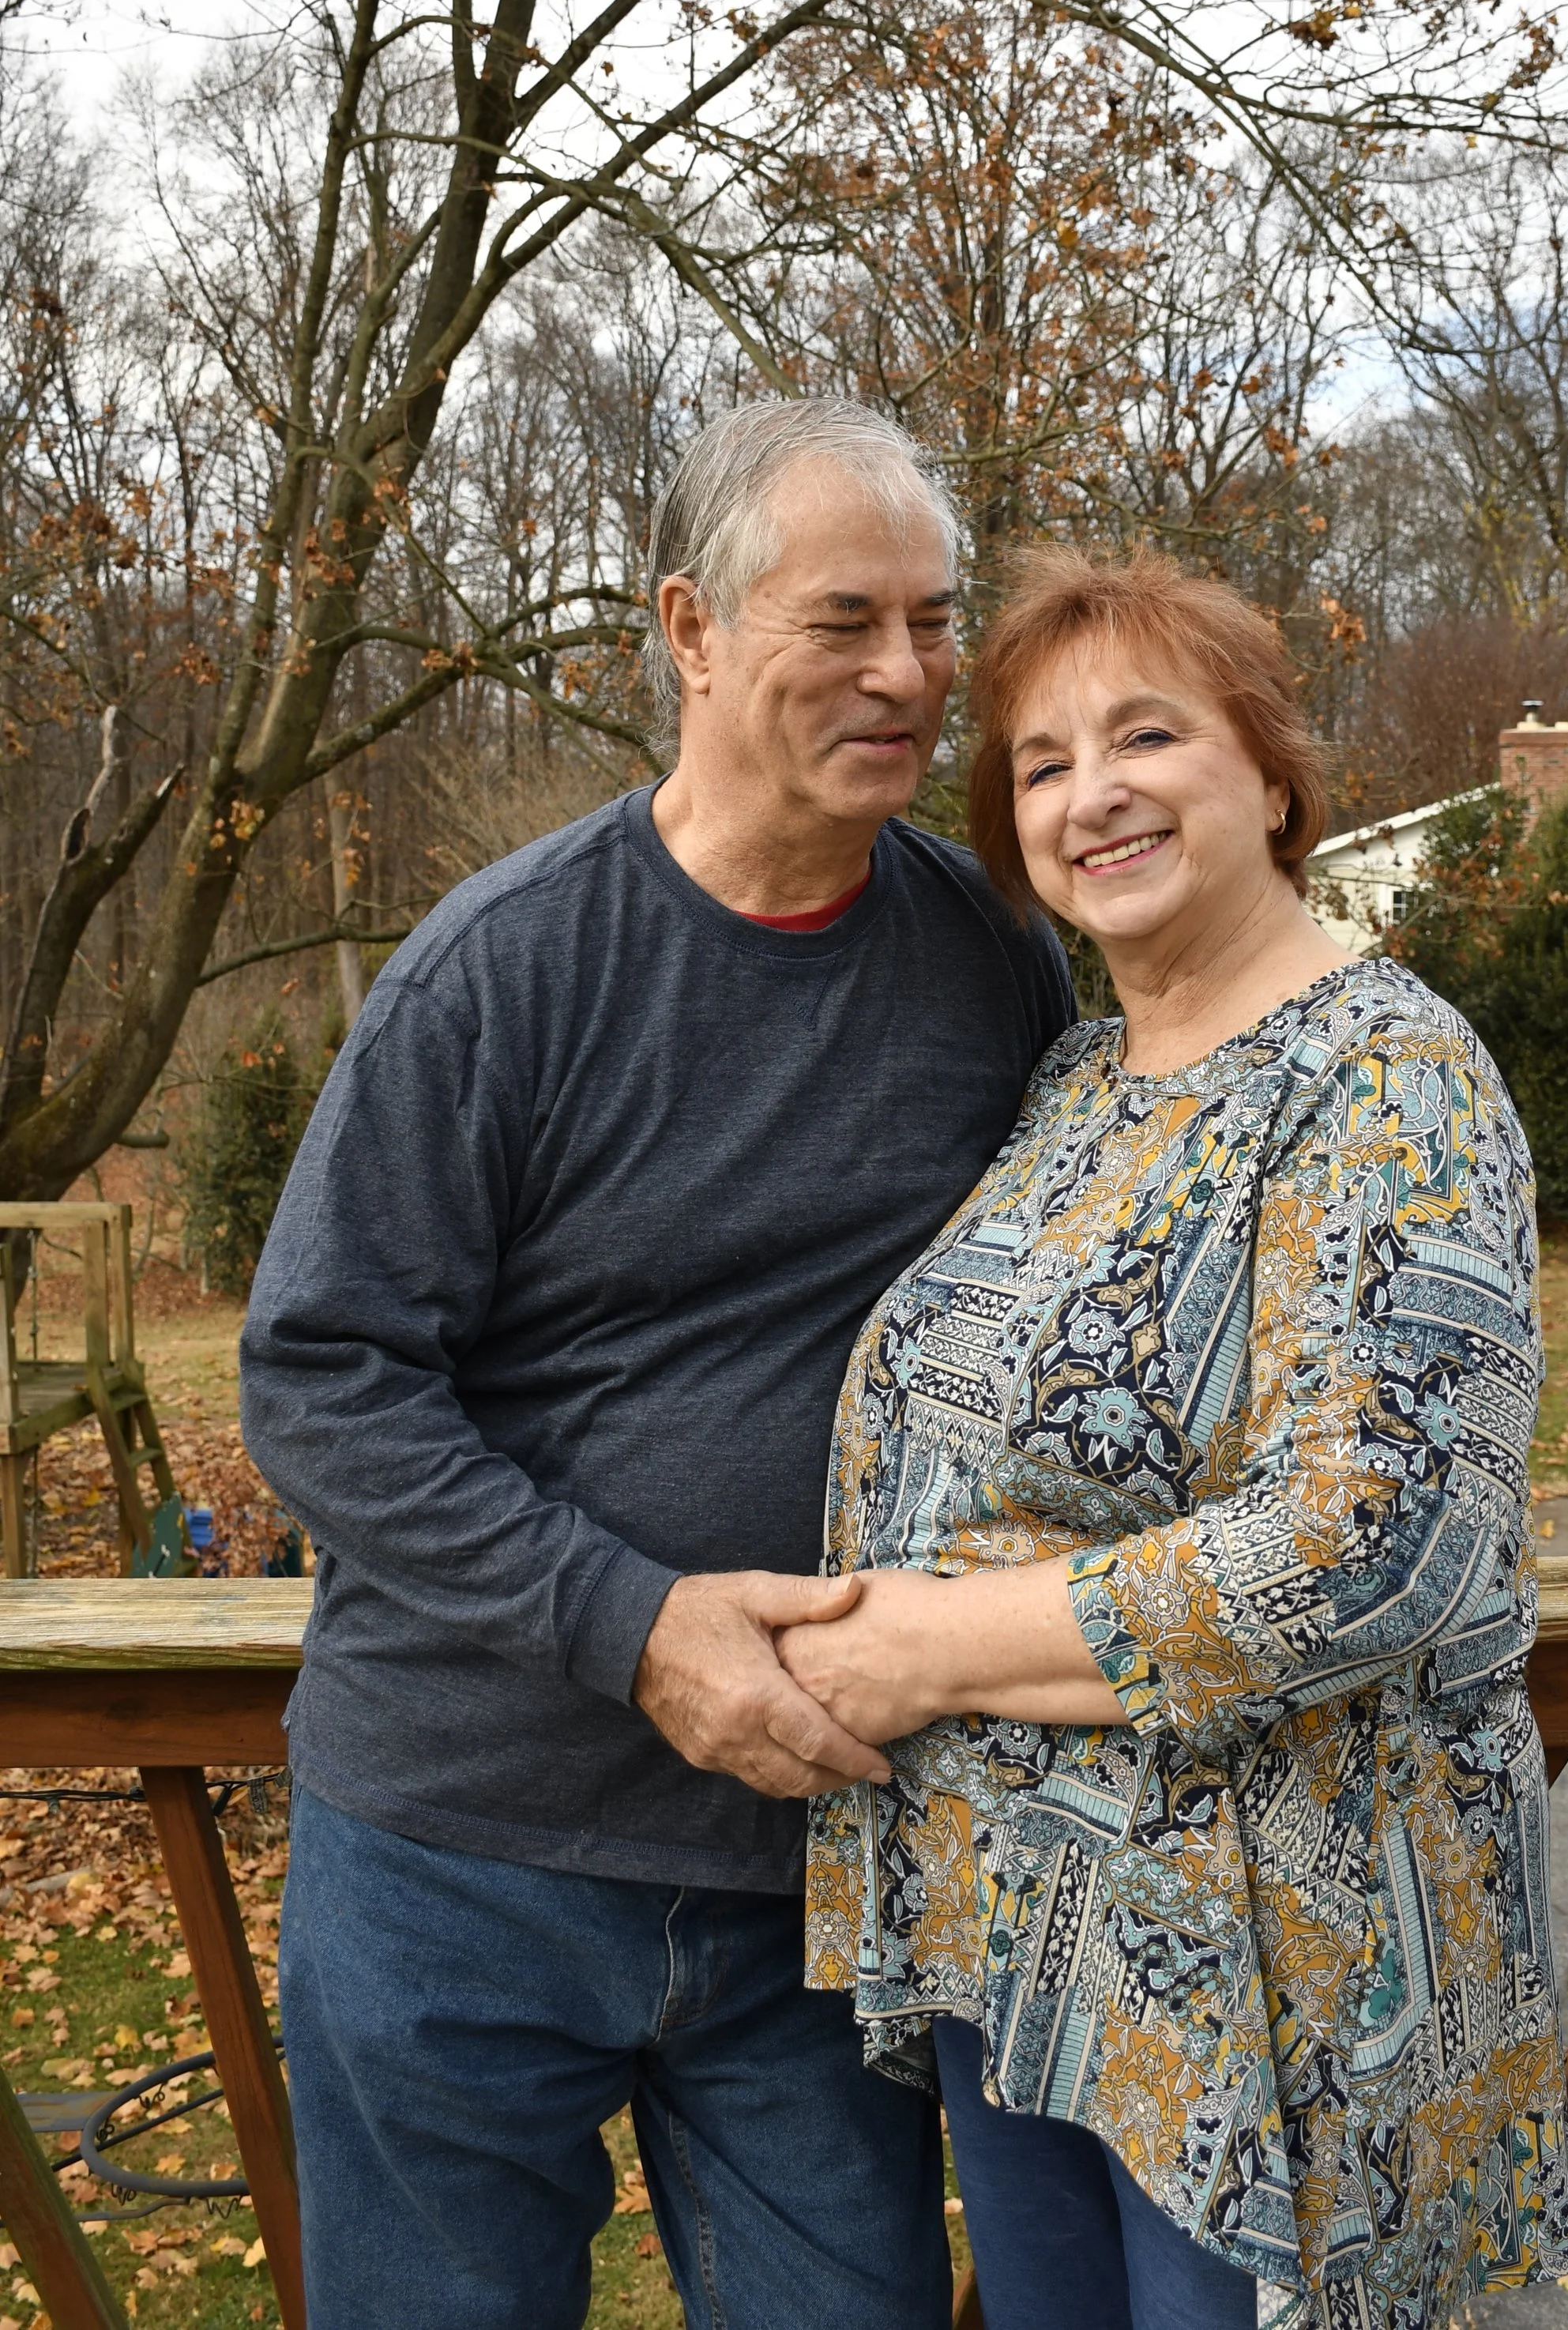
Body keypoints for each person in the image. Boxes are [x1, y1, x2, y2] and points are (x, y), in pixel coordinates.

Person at [239, 397, 1075, 2330]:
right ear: (690, 630)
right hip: (461, 1850)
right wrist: (632, 1623)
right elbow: (320, 1377)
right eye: (844, 620)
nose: (908, 676)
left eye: (936, 624)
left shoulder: (987, 959)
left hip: (820, 1871)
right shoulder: (505, 971)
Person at [790, 546, 1568, 2330]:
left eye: (1143, 735)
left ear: (1272, 773)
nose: (1091, 795)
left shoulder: (1386, 1076)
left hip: (1278, 1963)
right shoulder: (1074, 1081)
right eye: (1042, 764)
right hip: (1032, 1944)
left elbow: (1369, 1541)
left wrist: (922, 1649)